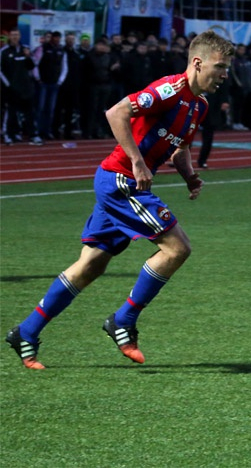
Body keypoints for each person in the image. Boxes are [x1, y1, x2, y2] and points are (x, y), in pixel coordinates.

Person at [5, 30, 234, 369]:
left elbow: (180, 148)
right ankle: (123, 320)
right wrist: (138, 161)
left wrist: (189, 176)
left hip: (121, 182)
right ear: (198, 63)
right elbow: (116, 112)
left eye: (227, 68)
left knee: (91, 265)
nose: (225, 74)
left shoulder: (199, 105)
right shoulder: (169, 89)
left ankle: (26, 332)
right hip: (121, 180)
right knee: (177, 248)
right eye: (220, 66)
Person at [0, 29, 41, 145]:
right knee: (11, 113)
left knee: (30, 113)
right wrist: (8, 85)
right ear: (9, 36)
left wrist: (28, 56)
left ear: (20, 36)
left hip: (26, 87)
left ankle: (33, 135)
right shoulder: (4, 51)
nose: (15, 37)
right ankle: (9, 134)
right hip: (11, 89)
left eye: (17, 35)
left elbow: (32, 66)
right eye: (13, 35)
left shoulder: (25, 49)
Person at [34, 30, 68, 141]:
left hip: (54, 84)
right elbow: (35, 64)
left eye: (58, 38)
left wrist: (60, 81)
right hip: (43, 83)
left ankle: (47, 131)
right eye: (55, 37)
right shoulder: (42, 48)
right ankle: (37, 131)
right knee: (40, 108)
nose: (56, 39)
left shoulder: (61, 51)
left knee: (50, 109)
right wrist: (38, 78)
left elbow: (64, 67)